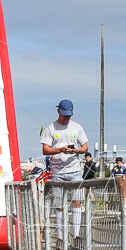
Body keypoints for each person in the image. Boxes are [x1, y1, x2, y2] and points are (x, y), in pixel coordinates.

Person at [40, 100, 89, 241]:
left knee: (77, 201)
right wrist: (60, 149)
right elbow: (45, 149)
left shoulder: (77, 127)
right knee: (59, 205)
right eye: (64, 115)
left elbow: (85, 147)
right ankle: (61, 237)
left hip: (74, 170)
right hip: (57, 172)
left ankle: (77, 235)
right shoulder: (50, 129)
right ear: (58, 111)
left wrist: (76, 150)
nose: (66, 118)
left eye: (69, 115)